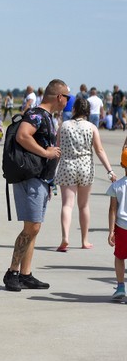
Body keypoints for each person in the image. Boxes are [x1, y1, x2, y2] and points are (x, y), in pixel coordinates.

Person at [3, 79, 69, 292]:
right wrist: (45, 153)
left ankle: (26, 274)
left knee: (34, 228)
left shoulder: (48, 117)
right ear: (59, 97)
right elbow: (23, 135)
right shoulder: (36, 115)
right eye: (66, 96)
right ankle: (12, 272)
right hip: (30, 178)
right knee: (31, 227)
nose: (68, 101)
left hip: (41, 179)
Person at [55, 97, 117, 251]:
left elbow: (57, 149)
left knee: (67, 205)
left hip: (67, 167)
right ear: (88, 112)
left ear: (74, 109)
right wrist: (110, 170)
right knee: (83, 206)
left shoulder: (63, 126)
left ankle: (65, 238)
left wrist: (50, 172)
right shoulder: (91, 127)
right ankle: (84, 240)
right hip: (85, 168)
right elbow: (99, 150)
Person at [107, 140, 127, 300]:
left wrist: (111, 231)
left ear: (122, 164)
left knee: (120, 257)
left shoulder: (117, 186)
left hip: (121, 228)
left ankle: (120, 287)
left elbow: (112, 209)